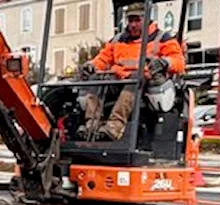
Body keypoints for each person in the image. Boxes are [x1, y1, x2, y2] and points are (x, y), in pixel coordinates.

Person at [79, 3, 184, 141]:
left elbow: (178, 61)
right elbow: (103, 59)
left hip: (143, 82)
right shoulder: (118, 40)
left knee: (135, 80)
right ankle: (91, 125)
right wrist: (92, 65)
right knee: (96, 80)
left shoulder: (163, 39)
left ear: (147, 19)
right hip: (118, 79)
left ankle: (114, 126)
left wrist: (165, 62)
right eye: (130, 20)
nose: (133, 24)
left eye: (137, 20)